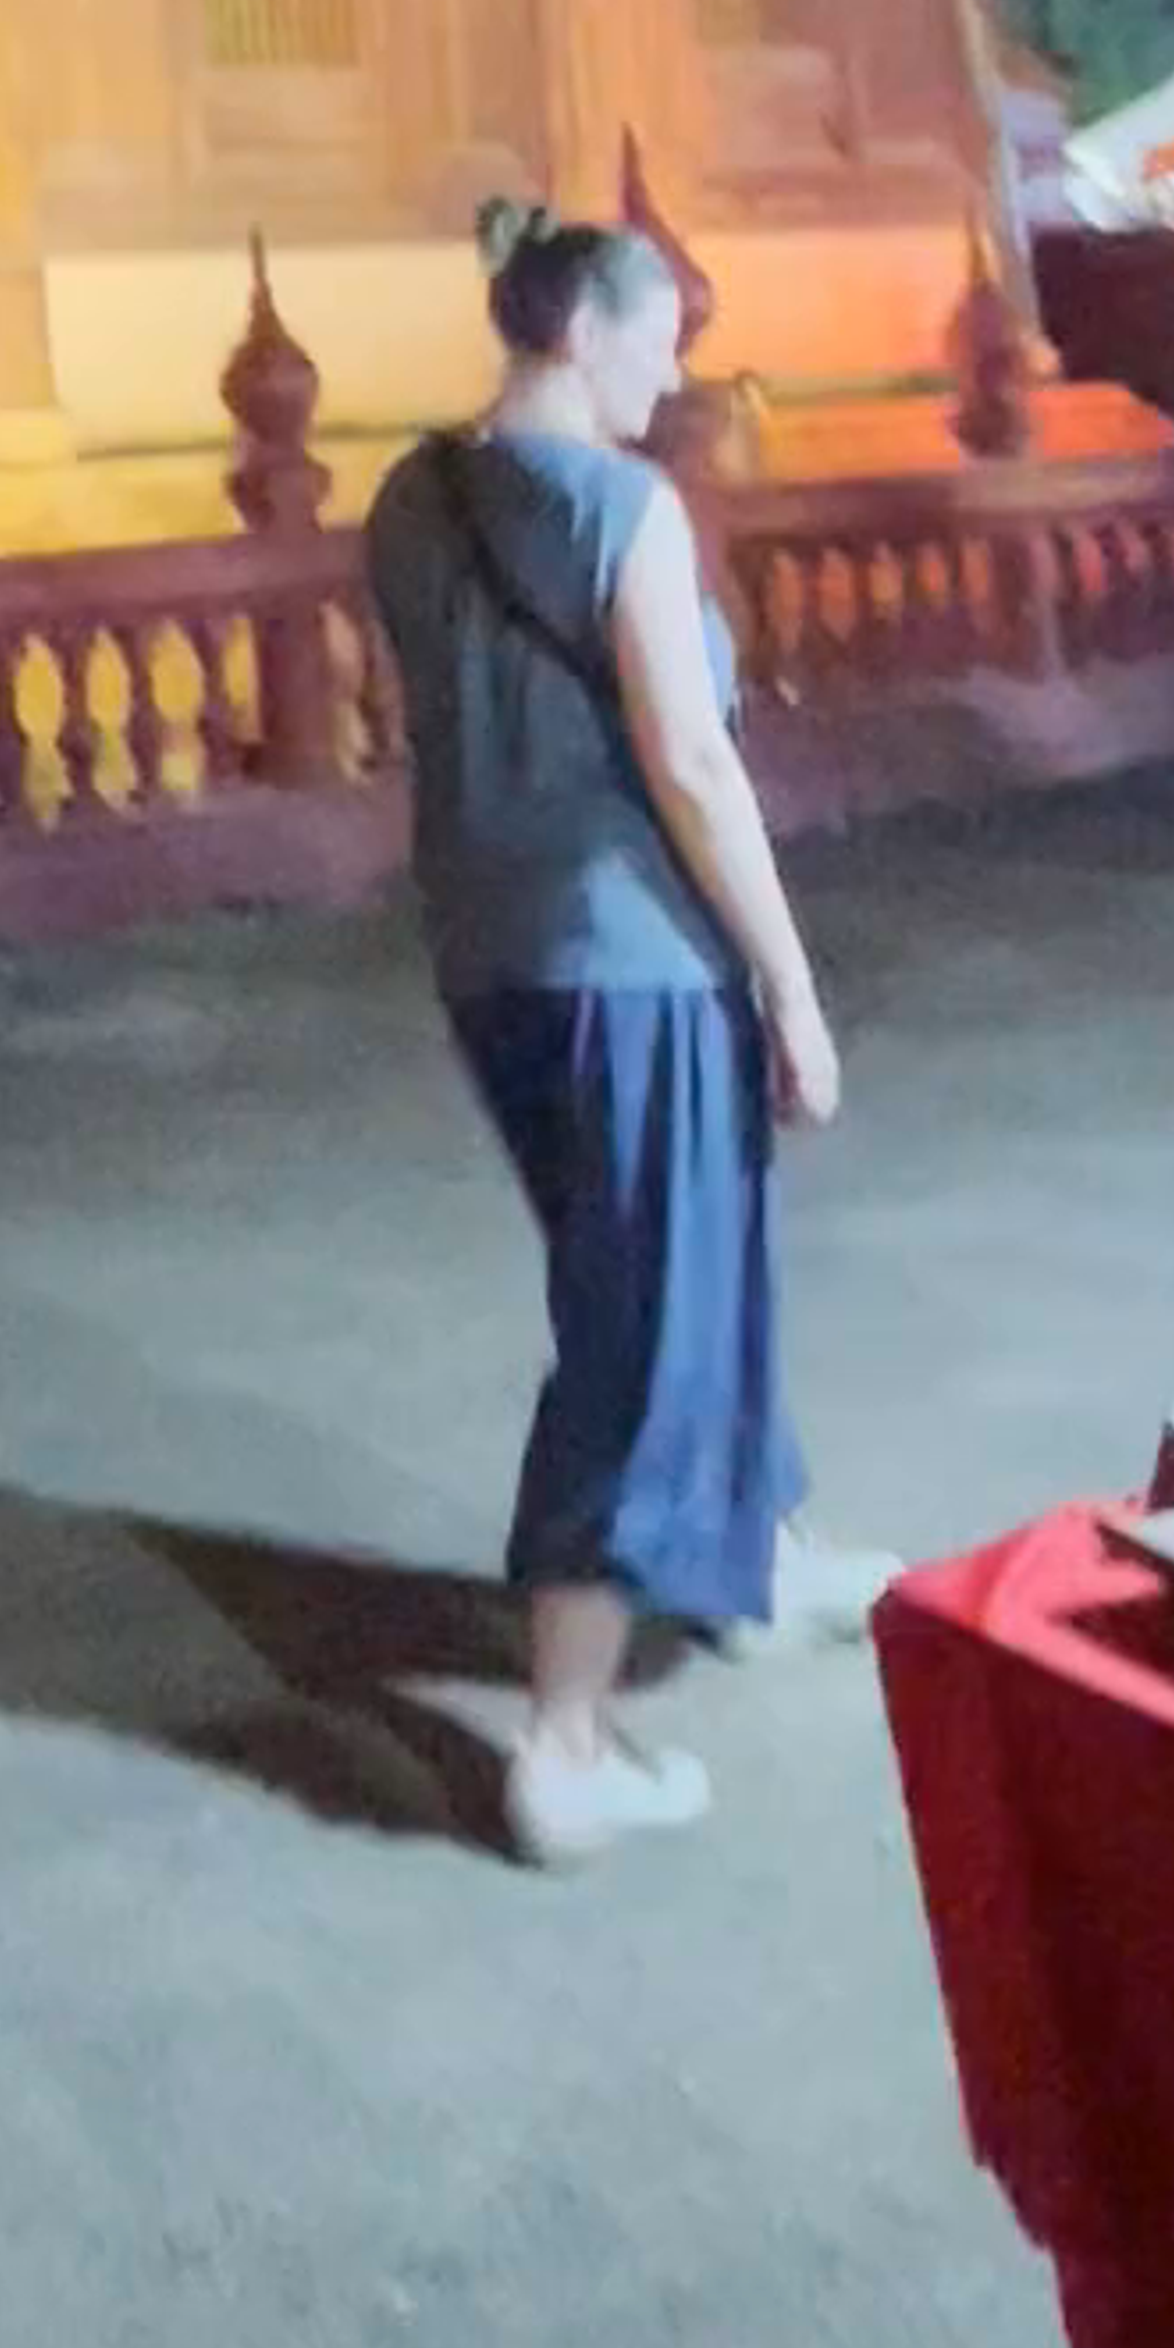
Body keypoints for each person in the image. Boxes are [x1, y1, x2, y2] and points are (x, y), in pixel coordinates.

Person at [365, 209, 868, 1873]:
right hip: (637, 958)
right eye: (664, 334)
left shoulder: (410, 498)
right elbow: (695, 766)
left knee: (671, 1262)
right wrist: (789, 985)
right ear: (583, 323)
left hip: (489, 953)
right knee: (641, 1316)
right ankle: (566, 1739)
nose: (678, 369)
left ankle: (756, 1552)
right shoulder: (624, 508)